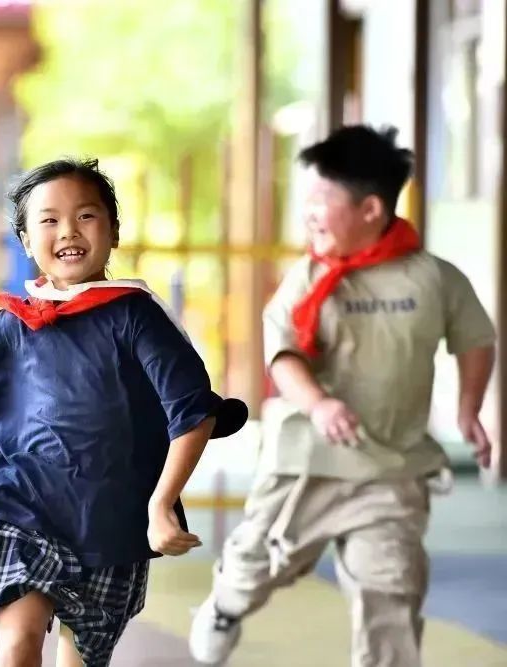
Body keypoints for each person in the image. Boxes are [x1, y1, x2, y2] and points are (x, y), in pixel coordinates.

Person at [0, 158, 248, 666]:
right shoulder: (14, 321)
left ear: (114, 231)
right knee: (18, 640)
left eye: (86, 216)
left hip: (112, 524)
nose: (67, 230)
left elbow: (194, 410)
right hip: (20, 509)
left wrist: (162, 503)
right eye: (48, 220)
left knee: (76, 659)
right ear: (26, 241)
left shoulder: (136, 315)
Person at [188, 125, 497, 667]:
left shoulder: (433, 279)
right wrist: (319, 404)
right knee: (253, 568)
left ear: (371, 209)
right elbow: (283, 356)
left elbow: (475, 338)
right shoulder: (308, 278)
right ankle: (225, 607)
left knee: (392, 596)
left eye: (320, 202)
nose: (308, 214)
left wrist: (470, 406)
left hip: (390, 472)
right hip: (307, 468)